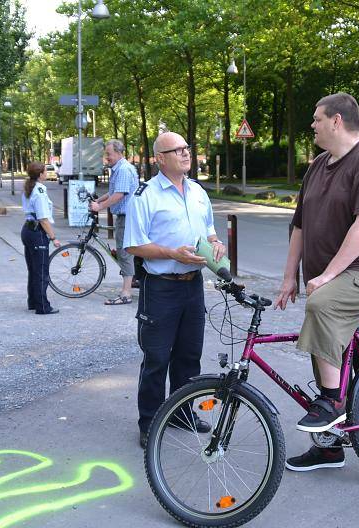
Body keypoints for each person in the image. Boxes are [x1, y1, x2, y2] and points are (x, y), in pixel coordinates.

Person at [275, 93, 359, 471]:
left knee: (322, 306)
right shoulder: (317, 166)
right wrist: (288, 278)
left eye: (316, 118)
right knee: (322, 338)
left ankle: (332, 402)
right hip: (331, 277)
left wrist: (327, 275)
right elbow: (299, 225)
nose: (311, 124)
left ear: (337, 121)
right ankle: (329, 447)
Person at [124, 132, 226, 448]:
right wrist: (172, 253)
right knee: (156, 357)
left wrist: (216, 243)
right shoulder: (145, 195)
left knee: (189, 356)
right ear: (160, 158)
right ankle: (151, 421)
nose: (185, 153)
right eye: (177, 149)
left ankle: (182, 414)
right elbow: (134, 246)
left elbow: (209, 232)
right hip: (161, 287)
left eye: (186, 148)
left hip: (193, 286)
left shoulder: (197, 191)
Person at [89, 139, 139, 305]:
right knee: (127, 252)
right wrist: (97, 200)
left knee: (124, 252)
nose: (107, 157)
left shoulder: (123, 170)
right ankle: (132, 281)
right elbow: (112, 193)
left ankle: (126, 293)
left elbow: (119, 195)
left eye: (108, 154)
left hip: (127, 217)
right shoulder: (119, 169)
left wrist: (100, 207)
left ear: (118, 153)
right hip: (124, 216)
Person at [22, 162, 61, 315]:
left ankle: (33, 301)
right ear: (40, 174)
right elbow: (43, 218)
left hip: (28, 230)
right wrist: (53, 238)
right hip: (37, 232)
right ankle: (42, 306)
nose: (47, 173)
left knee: (33, 270)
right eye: (45, 171)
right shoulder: (39, 190)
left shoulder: (29, 187)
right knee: (41, 271)